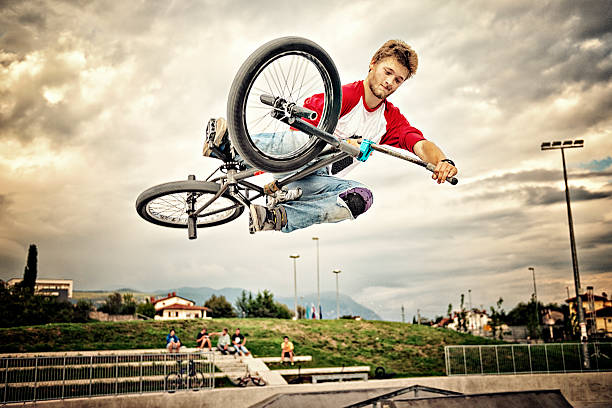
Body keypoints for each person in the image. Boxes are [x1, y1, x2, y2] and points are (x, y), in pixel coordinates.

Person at [204, 39, 458, 233]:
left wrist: (443, 161)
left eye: (398, 80)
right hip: (298, 158)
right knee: (306, 142)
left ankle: (277, 217)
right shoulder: (347, 96)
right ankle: (230, 146)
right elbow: (308, 116)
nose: (390, 82)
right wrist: (339, 142)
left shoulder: (389, 120)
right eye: (387, 72)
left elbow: (421, 145)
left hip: (314, 183)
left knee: (362, 198)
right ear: (373, 64)